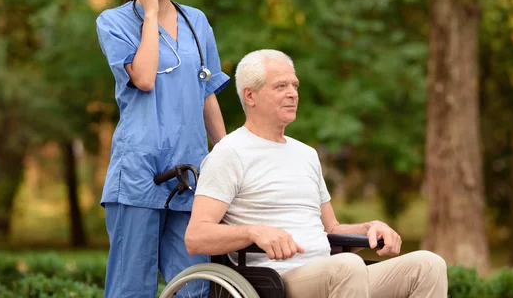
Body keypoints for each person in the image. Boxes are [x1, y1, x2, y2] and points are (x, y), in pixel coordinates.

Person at [185, 49, 447, 298]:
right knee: (347, 266)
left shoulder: (306, 155)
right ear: (250, 96)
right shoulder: (229, 152)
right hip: (274, 280)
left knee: (428, 265)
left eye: (294, 85)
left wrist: (370, 228)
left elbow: (331, 229)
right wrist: (254, 232)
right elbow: (196, 236)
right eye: (281, 86)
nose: (293, 94)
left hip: (333, 272)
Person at [96, 0, 229, 298]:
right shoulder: (114, 22)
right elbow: (143, 78)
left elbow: (207, 93)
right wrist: (151, 12)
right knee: (131, 288)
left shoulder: (196, 21)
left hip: (190, 175)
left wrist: (231, 155)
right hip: (140, 175)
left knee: (196, 287)